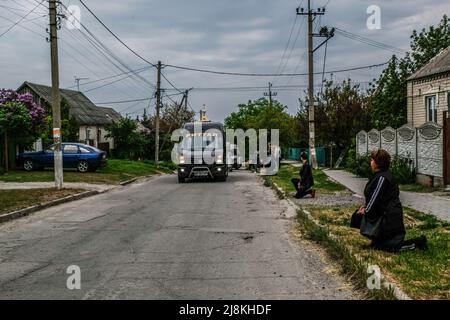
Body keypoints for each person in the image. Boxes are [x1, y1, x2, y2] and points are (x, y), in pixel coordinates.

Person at [355, 149, 427, 252]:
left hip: (389, 218)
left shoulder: (382, 178)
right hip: (385, 215)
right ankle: (378, 242)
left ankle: (418, 243)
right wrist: (366, 208)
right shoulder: (380, 175)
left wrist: (366, 211)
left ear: (377, 162)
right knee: (377, 246)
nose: (370, 162)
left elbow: (375, 198)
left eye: (372, 160)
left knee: (391, 248)